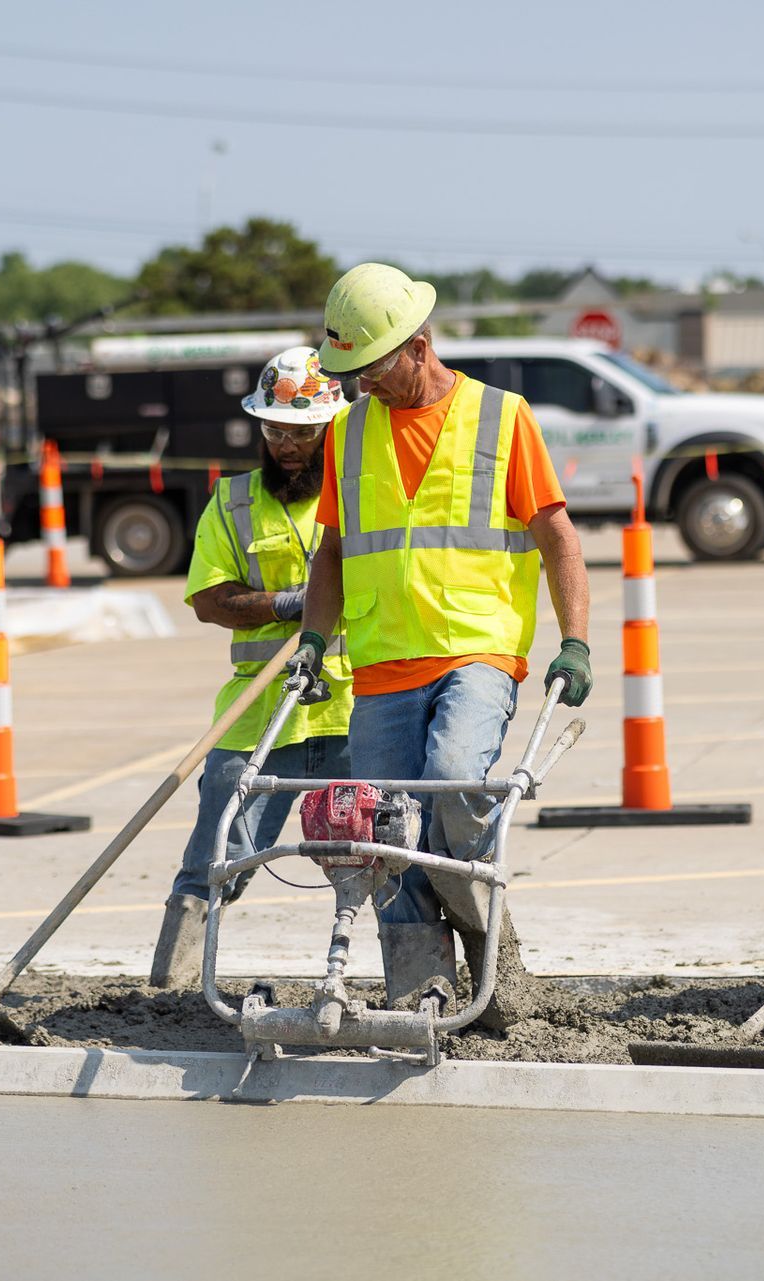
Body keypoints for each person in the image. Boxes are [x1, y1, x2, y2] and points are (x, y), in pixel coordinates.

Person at [289, 262, 593, 1030]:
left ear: (419, 346)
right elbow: (331, 551)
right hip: (383, 663)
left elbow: (557, 538)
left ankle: (494, 951)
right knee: (385, 832)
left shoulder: (502, 417)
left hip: (475, 650)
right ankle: (419, 991)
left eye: (371, 369)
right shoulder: (349, 432)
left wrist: (576, 640)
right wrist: (313, 641)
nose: (360, 387)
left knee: (455, 783)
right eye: (349, 372)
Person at [148, 345, 354, 988]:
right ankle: (172, 987)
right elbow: (210, 600)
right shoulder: (234, 502)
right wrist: (289, 604)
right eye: (273, 430)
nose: (285, 445)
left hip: (355, 712)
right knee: (215, 856)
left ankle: (417, 980)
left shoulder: (365, 496)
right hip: (258, 713)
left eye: (299, 433)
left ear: (332, 429)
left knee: (386, 858)